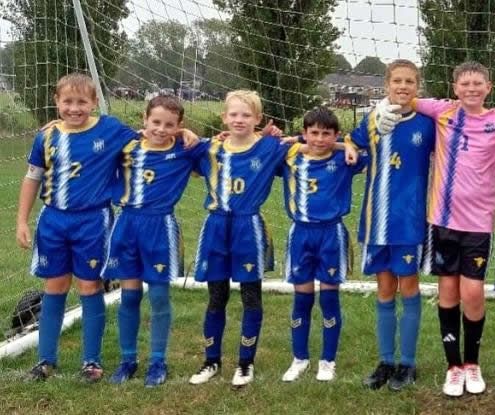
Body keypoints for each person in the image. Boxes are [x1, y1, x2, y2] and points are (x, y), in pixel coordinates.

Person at [372, 61, 495, 397]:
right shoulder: (442, 111)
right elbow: (405, 98)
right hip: (442, 222)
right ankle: (453, 367)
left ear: (489, 86)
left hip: (478, 225)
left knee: (472, 294)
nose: (471, 89)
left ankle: (473, 363)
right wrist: (381, 109)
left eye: (478, 83)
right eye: (465, 84)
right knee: (447, 294)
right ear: (455, 87)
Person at [17, 73, 152, 382]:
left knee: (89, 287)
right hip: (53, 221)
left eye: (82, 102)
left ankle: (91, 361)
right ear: (56, 102)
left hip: (93, 221)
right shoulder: (47, 137)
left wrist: (183, 132)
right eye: (67, 102)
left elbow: (151, 138)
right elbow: (32, 178)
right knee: (54, 286)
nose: (74, 108)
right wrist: (22, 220)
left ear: (94, 103)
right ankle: (45, 361)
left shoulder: (111, 129)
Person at [187, 90, 309, 387]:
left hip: (248, 228)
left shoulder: (270, 147)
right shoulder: (209, 149)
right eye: (234, 114)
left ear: (258, 119)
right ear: (224, 117)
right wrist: (182, 129)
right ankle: (211, 361)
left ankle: (245, 363)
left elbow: (316, 142)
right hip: (216, 227)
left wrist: (300, 139)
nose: (239, 120)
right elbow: (162, 141)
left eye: (246, 115)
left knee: (250, 296)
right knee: (217, 297)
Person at [103, 95, 206, 387]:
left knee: (159, 296)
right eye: (156, 122)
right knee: (130, 295)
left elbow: (226, 143)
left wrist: (189, 135)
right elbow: (90, 131)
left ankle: (158, 361)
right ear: (144, 120)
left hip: (160, 227)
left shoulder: (186, 150)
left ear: (180, 125)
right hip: (127, 225)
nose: (161, 129)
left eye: (170, 124)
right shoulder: (126, 145)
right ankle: (128, 360)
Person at [349, 60, 435, 391]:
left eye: (409, 81)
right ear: (386, 85)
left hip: (409, 222)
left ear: (418, 86)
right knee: (385, 289)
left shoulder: (426, 124)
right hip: (375, 221)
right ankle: (386, 361)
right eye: (397, 80)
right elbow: (349, 144)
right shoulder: (372, 120)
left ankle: (408, 364)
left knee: (409, 288)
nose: (402, 86)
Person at [280, 108, 368, 383]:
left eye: (326, 134)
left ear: (336, 135)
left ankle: (328, 360)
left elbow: (372, 150)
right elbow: (255, 143)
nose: (319, 139)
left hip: (332, 235)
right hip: (300, 235)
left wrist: (346, 145)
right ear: (304, 133)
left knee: (329, 299)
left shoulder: (345, 158)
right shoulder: (289, 156)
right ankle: (299, 358)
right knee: (302, 298)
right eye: (313, 133)